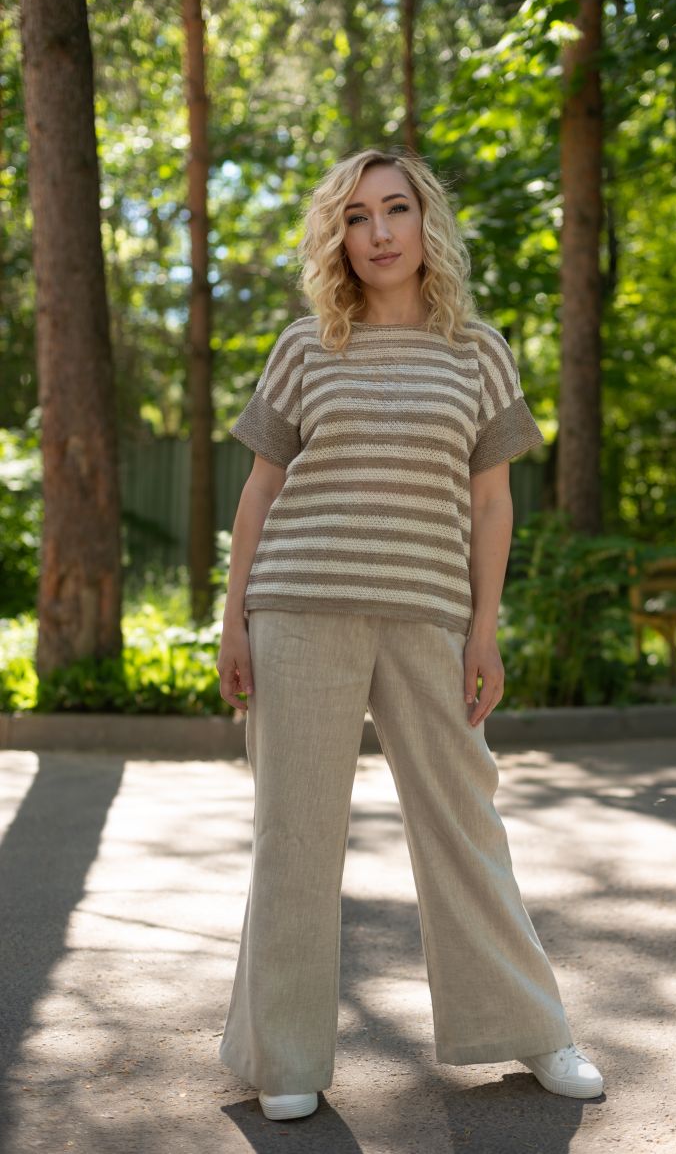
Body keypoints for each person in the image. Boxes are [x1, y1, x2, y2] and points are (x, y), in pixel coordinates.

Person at [216, 147, 604, 1123]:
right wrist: (233, 620)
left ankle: (532, 1025)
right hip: (298, 606)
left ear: (427, 222)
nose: (379, 231)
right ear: (337, 237)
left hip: (430, 612)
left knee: (466, 821)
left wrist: (485, 628)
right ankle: (283, 1052)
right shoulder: (306, 346)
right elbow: (260, 490)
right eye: (356, 216)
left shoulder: (476, 350)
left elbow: (492, 500)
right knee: (293, 831)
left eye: (395, 208)